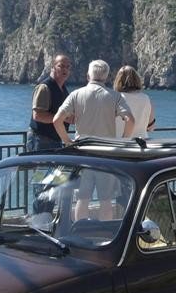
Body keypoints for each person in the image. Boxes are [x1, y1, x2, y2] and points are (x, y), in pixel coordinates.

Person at [53, 59, 135, 219]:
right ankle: (105, 235)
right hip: (106, 154)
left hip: (83, 153)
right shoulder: (115, 96)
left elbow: (57, 120)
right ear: (106, 76)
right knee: (106, 201)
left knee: (82, 200)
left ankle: (79, 234)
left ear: (88, 75)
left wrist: (67, 140)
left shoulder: (76, 94)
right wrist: (123, 140)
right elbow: (130, 120)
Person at [27, 54, 72, 151]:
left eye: (68, 67)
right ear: (52, 67)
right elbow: (38, 116)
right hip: (41, 139)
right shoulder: (44, 88)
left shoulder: (63, 89)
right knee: (40, 166)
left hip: (55, 140)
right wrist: (62, 118)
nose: (65, 70)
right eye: (61, 66)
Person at [113, 65, 156, 138]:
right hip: (141, 143)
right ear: (137, 80)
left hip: (119, 143)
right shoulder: (146, 98)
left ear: (118, 80)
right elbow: (150, 127)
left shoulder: (115, 98)